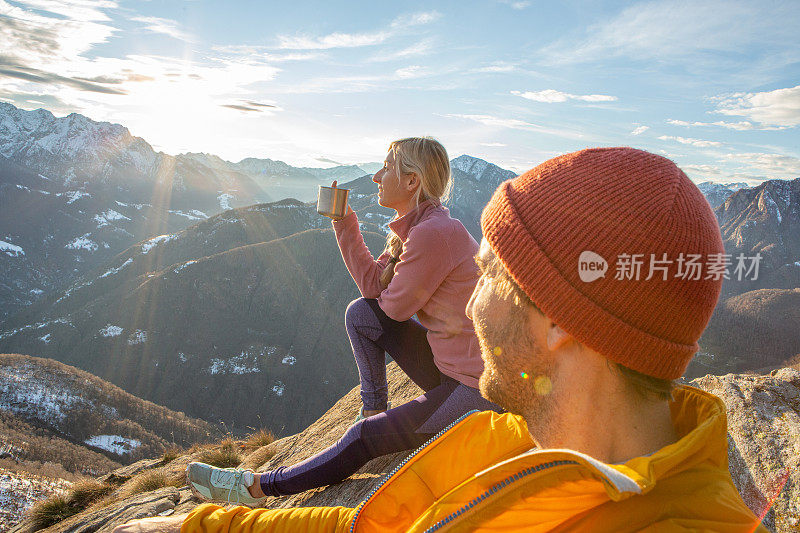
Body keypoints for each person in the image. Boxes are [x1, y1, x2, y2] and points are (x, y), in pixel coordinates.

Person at [115, 147, 765, 532]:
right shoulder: (506, 441)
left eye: (488, 275)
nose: (472, 298)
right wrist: (205, 523)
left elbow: (386, 301)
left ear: (561, 321)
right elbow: (386, 524)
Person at [183, 137, 501, 506]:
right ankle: (374, 410)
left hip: (479, 391)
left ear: (412, 181)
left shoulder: (433, 234)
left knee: (363, 438)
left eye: (386, 168)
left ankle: (254, 487)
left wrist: (387, 274)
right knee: (361, 314)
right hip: (451, 370)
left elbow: (393, 309)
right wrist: (345, 222)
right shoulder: (419, 228)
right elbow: (372, 295)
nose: (376, 177)